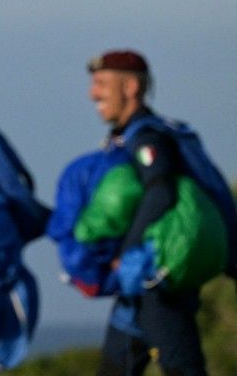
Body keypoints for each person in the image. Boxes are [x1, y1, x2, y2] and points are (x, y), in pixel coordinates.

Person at [86, 50, 213, 376]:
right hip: (138, 284)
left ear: (130, 87)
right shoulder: (130, 137)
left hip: (156, 279)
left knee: (182, 369)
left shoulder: (146, 138)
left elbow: (160, 191)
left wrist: (126, 252)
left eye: (101, 84)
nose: (93, 94)